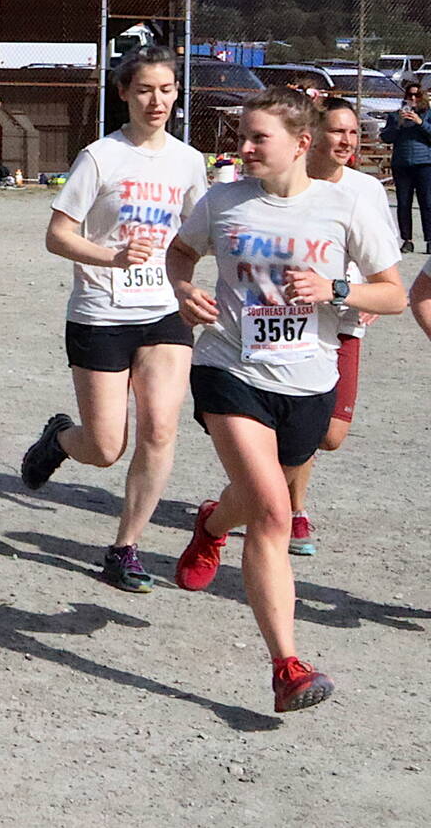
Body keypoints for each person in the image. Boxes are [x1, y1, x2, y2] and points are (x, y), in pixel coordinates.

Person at [166, 88, 405, 713]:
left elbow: (393, 294)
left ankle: (212, 524)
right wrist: (184, 289)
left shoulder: (347, 204)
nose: (242, 148)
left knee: (256, 497)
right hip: (230, 368)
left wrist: (336, 288)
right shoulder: (222, 200)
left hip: (308, 382)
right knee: (273, 512)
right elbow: (181, 252)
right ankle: (288, 667)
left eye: (256, 139)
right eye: (241, 135)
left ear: (300, 145)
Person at [18, 46, 209, 592]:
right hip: (101, 312)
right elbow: (58, 235)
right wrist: (112, 257)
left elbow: (197, 236)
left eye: (167, 90)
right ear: (123, 92)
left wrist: (190, 283)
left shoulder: (188, 161)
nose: (157, 101)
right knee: (105, 448)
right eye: (145, 89)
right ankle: (59, 439)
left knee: (161, 426)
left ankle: (125, 547)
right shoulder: (100, 157)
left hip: (163, 313)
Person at [281, 97, 401, 555]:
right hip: (290, 320)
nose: (347, 141)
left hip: (344, 318)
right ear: (311, 137)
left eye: (353, 132)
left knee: (329, 434)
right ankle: (292, 511)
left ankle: (261, 487)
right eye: (338, 131)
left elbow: (383, 267)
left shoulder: (366, 190)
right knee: (299, 422)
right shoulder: (290, 183)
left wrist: (363, 293)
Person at [380, 80, 430, 253]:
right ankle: (407, 240)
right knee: (403, 203)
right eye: (410, 95)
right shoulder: (395, 116)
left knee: (427, 203)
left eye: (417, 95)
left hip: (424, 163)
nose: (413, 98)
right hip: (401, 164)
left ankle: (429, 240)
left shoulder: (428, 114)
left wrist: (420, 122)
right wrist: (398, 124)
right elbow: (386, 137)